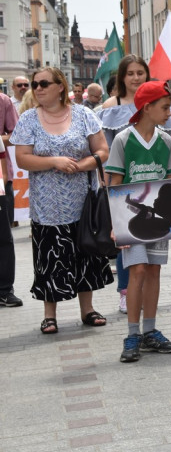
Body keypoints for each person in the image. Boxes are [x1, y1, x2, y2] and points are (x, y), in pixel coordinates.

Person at [10, 67, 111, 332]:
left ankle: (87, 310)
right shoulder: (29, 119)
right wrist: (53, 161)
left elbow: (102, 150)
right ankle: (49, 314)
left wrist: (81, 165)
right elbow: (22, 158)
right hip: (47, 205)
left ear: (60, 86)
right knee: (49, 257)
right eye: (35, 84)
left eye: (44, 83)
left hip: (83, 203)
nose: (38, 88)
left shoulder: (84, 114)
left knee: (85, 254)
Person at [105, 80, 171, 363]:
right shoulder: (124, 139)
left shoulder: (166, 140)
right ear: (146, 108)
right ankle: (132, 333)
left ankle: (150, 331)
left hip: (159, 221)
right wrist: (116, 223)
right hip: (132, 221)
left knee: (153, 272)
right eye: (164, 107)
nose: (169, 112)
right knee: (136, 272)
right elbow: (114, 183)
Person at [98, 55, 169, 315]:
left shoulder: (159, 106)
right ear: (122, 77)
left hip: (152, 187)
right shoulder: (111, 105)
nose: (136, 77)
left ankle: (147, 308)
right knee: (127, 244)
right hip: (124, 184)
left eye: (141, 72)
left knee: (152, 261)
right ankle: (125, 292)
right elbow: (106, 148)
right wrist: (109, 186)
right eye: (131, 73)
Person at [0, 89, 21, 296]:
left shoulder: (3, 101)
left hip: (0, 177)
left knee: (3, 236)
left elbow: (16, 135)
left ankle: (5, 289)